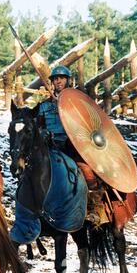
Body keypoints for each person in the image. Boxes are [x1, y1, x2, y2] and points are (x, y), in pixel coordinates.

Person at [35, 65, 106, 226]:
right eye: (55, 78)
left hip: (73, 144)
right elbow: (39, 126)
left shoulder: (77, 102)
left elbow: (88, 124)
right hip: (50, 146)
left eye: (62, 78)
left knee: (86, 169)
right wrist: (43, 133)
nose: (58, 80)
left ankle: (95, 208)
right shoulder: (45, 105)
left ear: (68, 80)